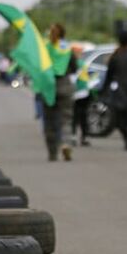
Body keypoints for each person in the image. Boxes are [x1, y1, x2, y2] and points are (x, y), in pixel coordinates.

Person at [41, 24, 77, 161]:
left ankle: (52, 152)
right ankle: (66, 143)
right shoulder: (66, 48)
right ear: (64, 33)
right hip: (65, 85)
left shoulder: (45, 47)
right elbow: (74, 67)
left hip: (48, 86)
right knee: (66, 119)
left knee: (49, 121)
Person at [70, 43, 92, 147]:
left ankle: (73, 136)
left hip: (75, 93)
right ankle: (84, 137)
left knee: (74, 115)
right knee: (83, 115)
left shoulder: (70, 63)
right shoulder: (83, 64)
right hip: (84, 93)